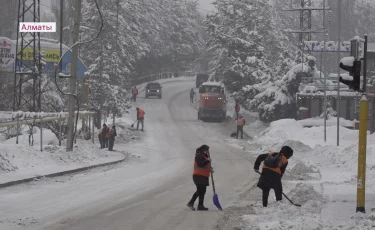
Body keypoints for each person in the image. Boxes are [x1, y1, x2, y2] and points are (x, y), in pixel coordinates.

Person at [187, 144, 213, 211]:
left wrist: (210, 169)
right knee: (200, 190)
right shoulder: (199, 155)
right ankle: (191, 203)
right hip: (198, 176)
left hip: (203, 176)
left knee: (202, 191)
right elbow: (200, 165)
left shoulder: (204, 156)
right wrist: (208, 161)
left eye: (207, 150)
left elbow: (205, 166)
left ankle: (200, 206)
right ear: (203, 150)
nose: (207, 151)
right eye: (206, 150)